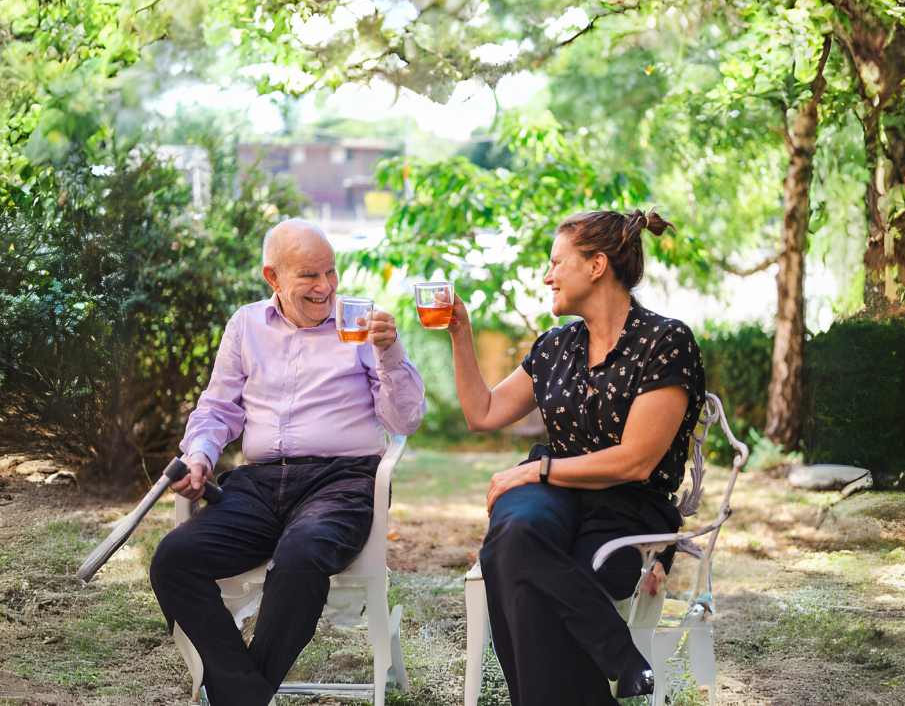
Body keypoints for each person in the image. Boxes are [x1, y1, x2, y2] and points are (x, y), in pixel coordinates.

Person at [149, 219, 426, 706]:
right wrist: (199, 456)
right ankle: (248, 693)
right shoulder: (246, 325)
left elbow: (404, 420)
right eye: (309, 276)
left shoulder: (359, 325)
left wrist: (390, 351)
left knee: (300, 557)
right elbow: (218, 408)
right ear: (272, 277)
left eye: (331, 273)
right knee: (173, 561)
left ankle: (240, 697)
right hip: (257, 486)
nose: (326, 287)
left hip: (341, 482)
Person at [448, 209, 706, 706]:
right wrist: (462, 334)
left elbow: (636, 461)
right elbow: (483, 412)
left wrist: (536, 469)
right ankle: (625, 659)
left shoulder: (665, 342)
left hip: (627, 505)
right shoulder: (555, 346)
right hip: (555, 496)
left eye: (555, 262)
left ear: (596, 266)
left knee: (515, 570)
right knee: (513, 538)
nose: (547, 275)